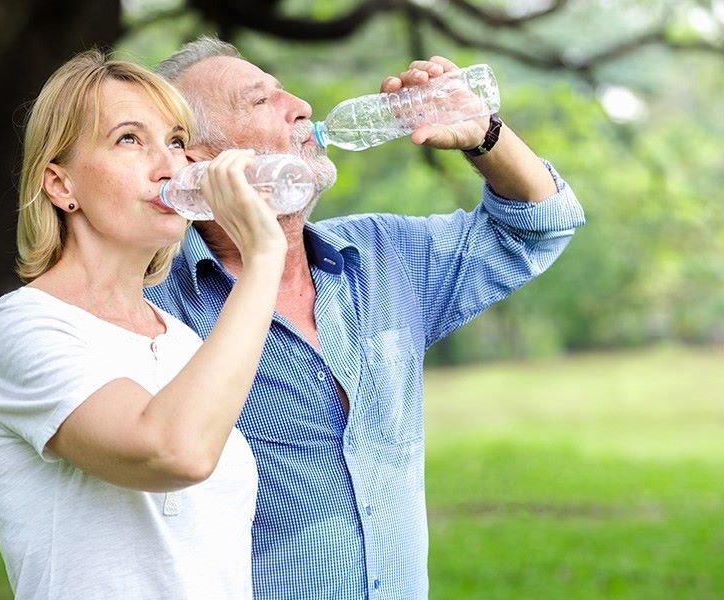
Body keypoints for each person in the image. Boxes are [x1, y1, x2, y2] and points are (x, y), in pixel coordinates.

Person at [147, 38, 586, 599]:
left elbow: (541, 223)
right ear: (197, 161)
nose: (300, 105)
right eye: (260, 102)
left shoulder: (383, 255)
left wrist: (485, 136)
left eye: (286, 90)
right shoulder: (160, 310)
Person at [0, 49, 288, 599]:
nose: (169, 166)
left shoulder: (183, 341)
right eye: (129, 140)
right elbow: (173, 451)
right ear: (60, 186)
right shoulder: (20, 330)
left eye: (177, 141)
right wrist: (261, 258)